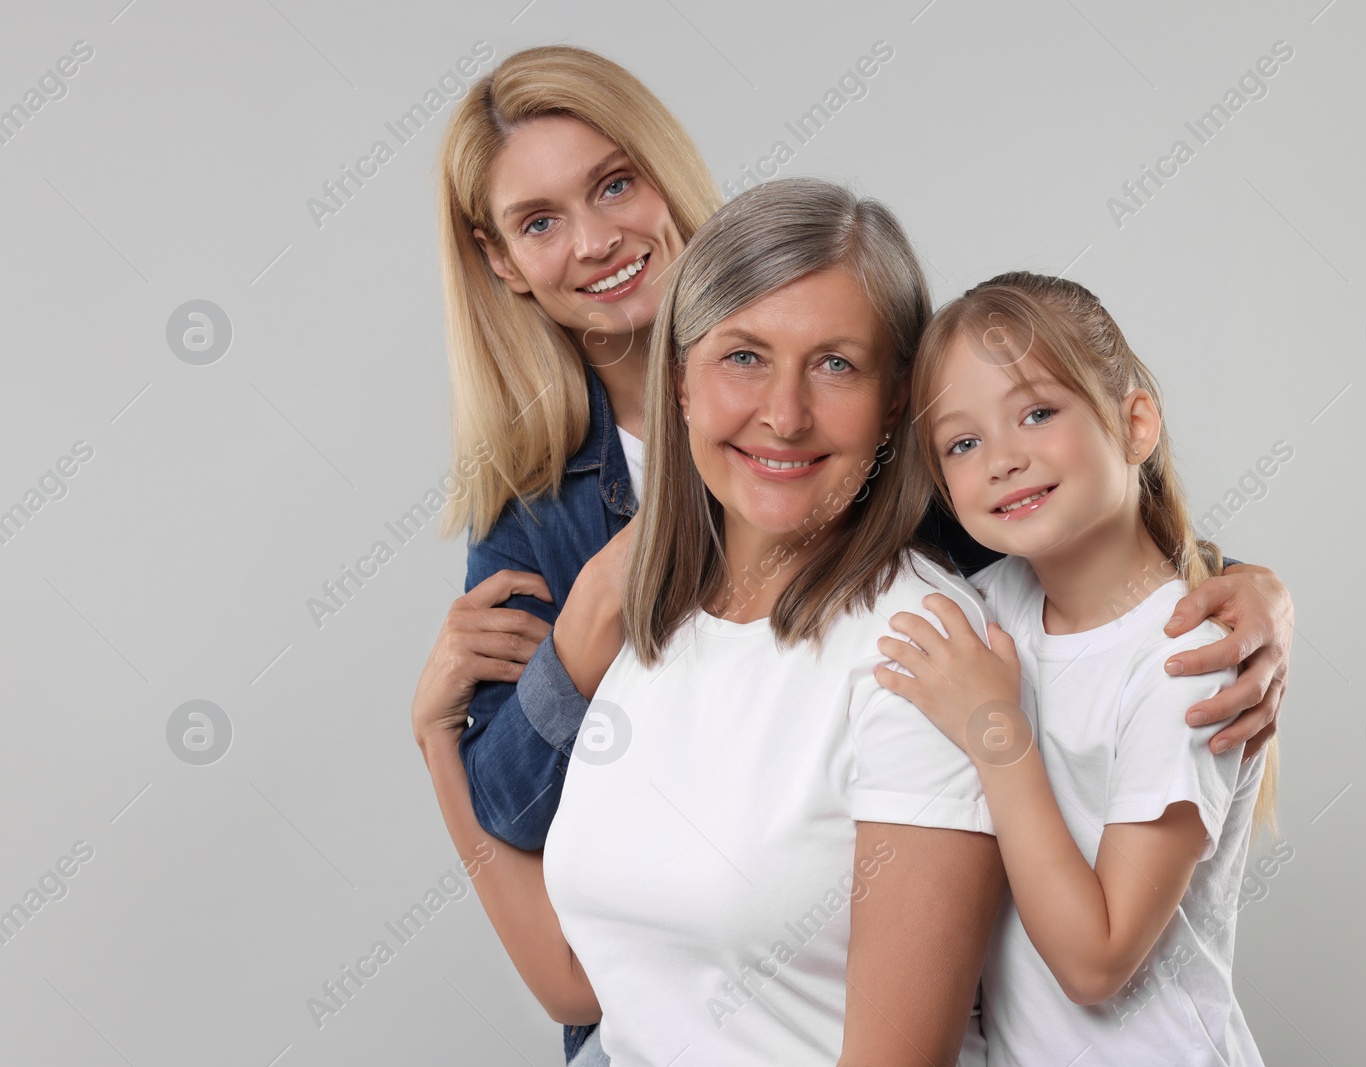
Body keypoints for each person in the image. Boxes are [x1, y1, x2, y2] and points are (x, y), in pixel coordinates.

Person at [414, 44, 1294, 1062]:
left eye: (614, 183)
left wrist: (1239, 588)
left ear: (896, 413)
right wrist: (544, 662)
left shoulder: (916, 631)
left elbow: (1057, 504)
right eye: (540, 220)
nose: (595, 237)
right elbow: (566, 925)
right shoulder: (568, 538)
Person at [420, 177, 1007, 1066]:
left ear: (895, 401)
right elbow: (581, 982)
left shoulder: (918, 651)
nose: (784, 413)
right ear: (682, 381)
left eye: (836, 363)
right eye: (744, 356)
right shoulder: (648, 619)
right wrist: (436, 740)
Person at [875, 272, 1276, 1064]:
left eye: (1037, 412)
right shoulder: (991, 605)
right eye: (962, 442)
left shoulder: (1183, 659)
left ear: (1135, 423)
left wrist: (998, 734)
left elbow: (1096, 959)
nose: (1002, 459)